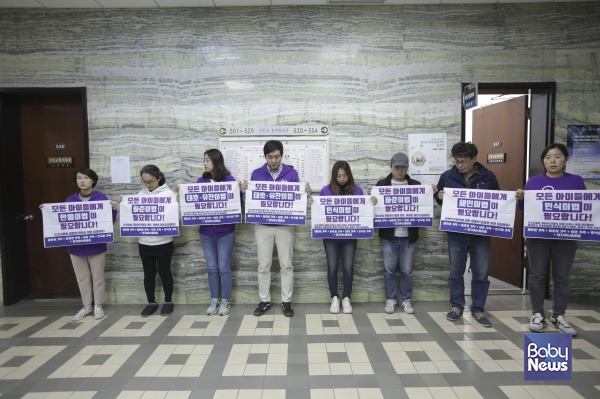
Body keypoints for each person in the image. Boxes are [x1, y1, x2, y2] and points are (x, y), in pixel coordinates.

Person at [516, 143, 586, 335]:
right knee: (537, 275)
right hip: (538, 237)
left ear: (565, 159)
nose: (552, 161)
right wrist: (521, 199)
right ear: (543, 161)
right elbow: (525, 210)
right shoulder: (533, 182)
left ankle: (559, 315)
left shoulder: (576, 181)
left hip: (566, 237)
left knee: (562, 277)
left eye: (557, 157)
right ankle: (537, 314)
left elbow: (586, 208)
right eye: (548, 157)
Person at [241, 140, 311, 318]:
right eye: (270, 157)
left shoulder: (291, 173)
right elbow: (249, 203)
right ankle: (264, 300)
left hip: (285, 225)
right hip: (263, 226)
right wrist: (244, 193)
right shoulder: (256, 174)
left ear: (282, 155)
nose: (274, 160)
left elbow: (298, 201)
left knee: (286, 264)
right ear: (264, 157)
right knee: (263, 265)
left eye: (277, 156)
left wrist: (305, 193)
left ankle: (286, 301)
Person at [433, 142, 499, 327]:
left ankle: (478, 309)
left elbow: (498, 202)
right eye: (456, 161)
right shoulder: (447, 176)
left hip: (481, 234)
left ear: (474, 159)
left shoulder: (488, 177)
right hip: (456, 232)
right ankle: (457, 306)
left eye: (463, 161)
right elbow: (439, 198)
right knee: (455, 272)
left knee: (481, 273)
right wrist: (438, 197)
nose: (459, 165)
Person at [40, 168, 117, 322]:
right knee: (82, 278)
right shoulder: (70, 200)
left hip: (96, 246)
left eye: (86, 178)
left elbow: (108, 222)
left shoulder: (101, 198)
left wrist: (114, 210)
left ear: (93, 180)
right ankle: (87, 305)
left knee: (98, 278)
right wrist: (47, 211)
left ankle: (98, 306)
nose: (82, 181)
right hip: (75, 247)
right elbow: (62, 220)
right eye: (79, 178)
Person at [318, 161, 377, 314]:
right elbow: (320, 213)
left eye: (344, 175)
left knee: (348, 268)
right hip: (330, 236)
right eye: (338, 176)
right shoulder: (326, 191)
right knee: (332, 267)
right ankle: (334, 297)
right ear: (334, 176)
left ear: (349, 175)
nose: (342, 179)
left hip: (350, 236)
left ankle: (346, 297)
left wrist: (372, 203)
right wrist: (314, 204)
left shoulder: (357, 191)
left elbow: (363, 212)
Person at [119, 165, 177, 317]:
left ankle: (168, 302)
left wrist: (179, 203)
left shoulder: (169, 194)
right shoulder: (140, 194)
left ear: (158, 178)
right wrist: (122, 203)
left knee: (165, 273)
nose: (148, 185)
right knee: (148, 274)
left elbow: (176, 217)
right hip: (145, 241)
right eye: (144, 182)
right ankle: (151, 302)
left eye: (151, 181)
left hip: (163, 241)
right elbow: (132, 213)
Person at [368, 153, 421, 315]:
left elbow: (423, 207)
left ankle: (405, 299)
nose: (399, 170)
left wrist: (430, 194)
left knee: (407, 270)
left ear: (407, 168)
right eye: (397, 166)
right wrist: (371, 200)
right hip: (388, 236)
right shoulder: (381, 185)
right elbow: (373, 211)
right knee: (389, 270)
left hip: (409, 236)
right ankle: (391, 299)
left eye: (403, 167)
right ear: (390, 166)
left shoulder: (416, 185)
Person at [193, 149, 241, 316]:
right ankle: (214, 299)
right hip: (206, 233)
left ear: (216, 162)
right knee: (212, 267)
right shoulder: (201, 181)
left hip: (225, 232)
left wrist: (240, 191)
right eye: (204, 160)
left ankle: (225, 300)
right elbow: (193, 204)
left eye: (208, 160)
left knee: (224, 267)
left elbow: (238, 204)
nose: (205, 163)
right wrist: (181, 196)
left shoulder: (229, 180)